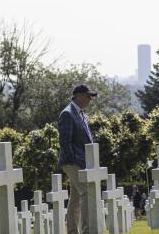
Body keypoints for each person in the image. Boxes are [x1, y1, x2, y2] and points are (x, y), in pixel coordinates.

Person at [58, 84, 97, 234]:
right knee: (86, 192)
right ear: (79, 96)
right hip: (73, 162)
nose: (89, 99)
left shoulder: (80, 113)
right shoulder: (67, 113)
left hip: (82, 161)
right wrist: (74, 161)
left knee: (75, 199)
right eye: (88, 96)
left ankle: (73, 231)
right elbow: (65, 141)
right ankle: (87, 231)